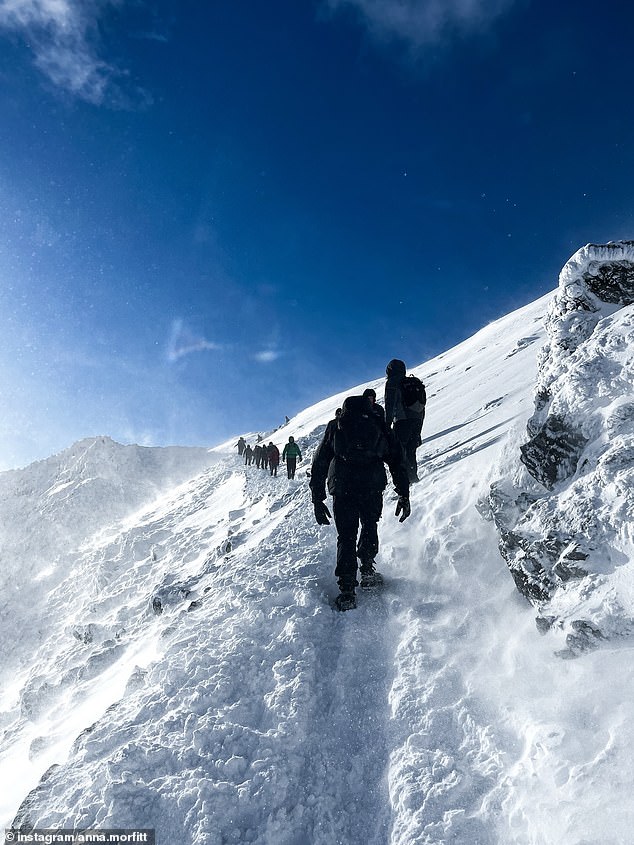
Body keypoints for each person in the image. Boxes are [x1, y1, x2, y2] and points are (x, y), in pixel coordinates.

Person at [310, 394, 410, 611]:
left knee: (346, 535)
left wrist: (318, 499)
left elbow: (319, 463)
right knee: (369, 525)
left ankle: (347, 590)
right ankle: (366, 570)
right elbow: (397, 460)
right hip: (371, 487)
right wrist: (403, 493)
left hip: (343, 488)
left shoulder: (336, 426)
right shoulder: (378, 425)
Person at [384, 359, 426, 483]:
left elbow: (389, 404)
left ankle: (404, 486)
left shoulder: (392, 383)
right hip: (417, 421)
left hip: (402, 421)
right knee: (411, 451)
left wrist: (387, 425)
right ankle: (413, 479)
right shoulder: (412, 383)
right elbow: (422, 407)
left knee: (399, 453)